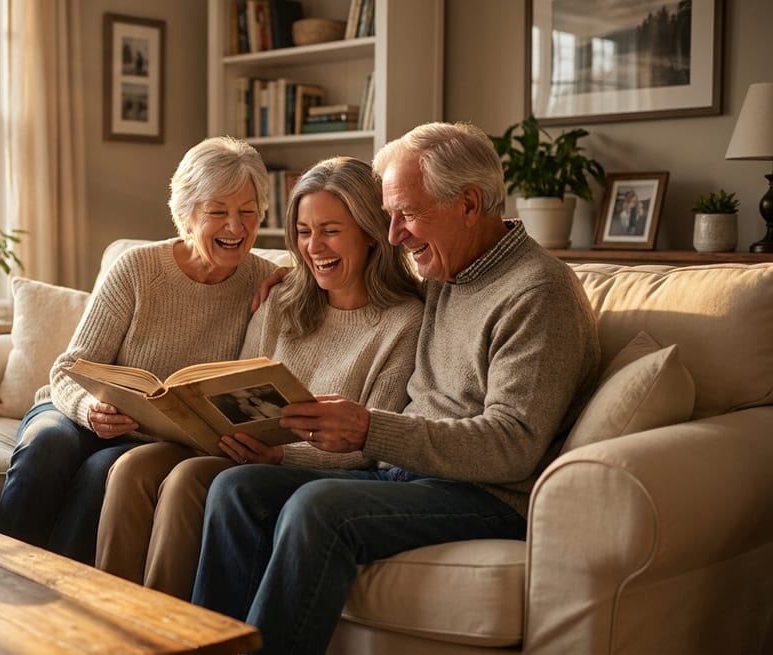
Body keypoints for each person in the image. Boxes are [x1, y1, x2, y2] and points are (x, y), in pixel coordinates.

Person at [190, 122, 601, 654]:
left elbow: (513, 445)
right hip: (414, 477)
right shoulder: (450, 267)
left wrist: (368, 429)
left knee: (317, 509)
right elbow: (349, 258)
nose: (395, 235)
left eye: (406, 214)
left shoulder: (537, 292)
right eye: (389, 217)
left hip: (487, 493)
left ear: (469, 203)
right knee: (236, 488)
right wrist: (291, 267)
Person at [96, 156, 424, 600]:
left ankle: (164, 631)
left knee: (187, 480)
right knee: (133, 466)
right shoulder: (282, 298)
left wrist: (282, 457)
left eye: (330, 231)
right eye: (304, 233)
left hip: (300, 466)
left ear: (369, 231)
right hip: (240, 448)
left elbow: (372, 442)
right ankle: (104, 618)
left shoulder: (403, 322)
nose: (314, 248)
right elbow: (237, 386)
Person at [0, 136, 280, 564]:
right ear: (185, 215)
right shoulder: (138, 269)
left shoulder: (266, 283)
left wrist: (292, 284)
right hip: (75, 410)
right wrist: (90, 408)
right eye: (217, 212)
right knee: (47, 445)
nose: (235, 228)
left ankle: (63, 596)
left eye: (247, 212)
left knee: (100, 474)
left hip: (146, 439)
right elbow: (68, 368)